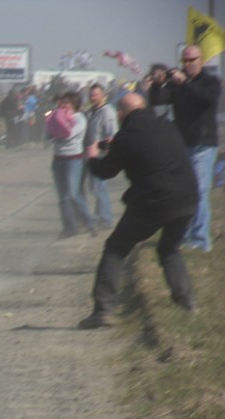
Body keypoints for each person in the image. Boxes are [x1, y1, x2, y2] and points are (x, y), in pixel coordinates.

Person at [78, 93, 198, 329]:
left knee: (116, 247)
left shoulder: (128, 136)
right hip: (188, 198)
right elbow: (149, 146)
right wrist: (115, 144)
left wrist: (92, 157)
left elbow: (105, 171)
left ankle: (103, 310)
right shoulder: (166, 125)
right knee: (169, 249)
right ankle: (187, 302)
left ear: (122, 114)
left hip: (155, 200)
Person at [149, 44, 221, 252]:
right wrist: (158, 83)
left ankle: (201, 240)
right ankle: (185, 236)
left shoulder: (210, 81)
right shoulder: (176, 84)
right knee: (184, 193)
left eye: (192, 60)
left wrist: (185, 83)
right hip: (183, 145)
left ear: (201, 60)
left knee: (199, 191)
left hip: (204, 145)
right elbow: (157, 101)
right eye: (185, 60)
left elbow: (207, 99)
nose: (188, 64)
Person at [46, 91, 96, 239]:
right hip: (58, 159)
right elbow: (48, 135)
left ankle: (90, 222)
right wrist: (52, 122)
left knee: (73, 194)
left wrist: (57, 125)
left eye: (66, 102)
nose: (63, 105)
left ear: (74, 104)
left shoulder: (79, 118)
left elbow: (68, 134)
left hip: (73, 160)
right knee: (62, 197)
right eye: (62, 102)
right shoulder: (57, 116)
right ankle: (69, 227)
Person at [83, 83, 118, 230]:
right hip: (91, 153)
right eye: (91, 95)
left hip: (101, 154)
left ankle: (106, 219)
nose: (93, 97)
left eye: (96, 94)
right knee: (96, 187)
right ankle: (100, 216)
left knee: (98, 187)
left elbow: (112, 135)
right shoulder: (91, 111)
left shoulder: (107, 111)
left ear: (103, 95)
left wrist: (102, 148)